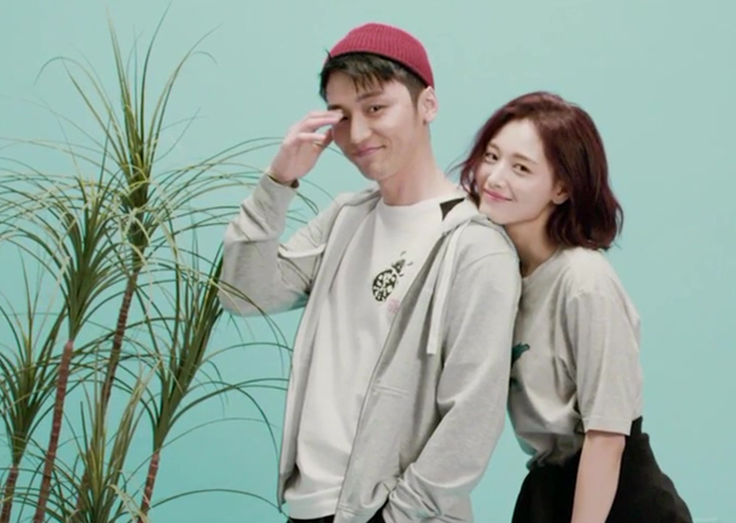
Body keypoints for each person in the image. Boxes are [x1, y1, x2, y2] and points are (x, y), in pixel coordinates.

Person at [218, 23, 522, 523]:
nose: (357, 134)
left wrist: (395, 516)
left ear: (427, 104)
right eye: (341, 116)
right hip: (310, 506)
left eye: (376, 108)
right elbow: (242, 294)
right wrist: (278, 180)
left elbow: (473, 415)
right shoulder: (346, 219)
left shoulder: (475, 246)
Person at [457, 91, 693, 523]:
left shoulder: (584, 281)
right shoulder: (504, 273)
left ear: (562, 188)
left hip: (616, 498)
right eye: (491, 156)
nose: (494, 177)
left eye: (521, 167)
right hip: (549, 489)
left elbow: (607, 438)